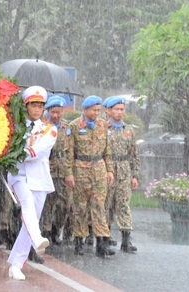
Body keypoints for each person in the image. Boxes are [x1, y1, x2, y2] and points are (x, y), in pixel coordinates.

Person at [6, 86, 56, 281]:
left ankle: (16, 264)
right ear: (26, 106)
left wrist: (19, 154)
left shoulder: (49, 130)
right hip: (19, 175)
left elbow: (40, 151)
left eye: (40, 106)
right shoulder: (15, 127)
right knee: (27, 206)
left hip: (40, 179)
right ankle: (37, 239)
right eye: (33, 105)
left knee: (30, 220)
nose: (36, 110)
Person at [65, 95, 115, 258]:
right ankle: (79, 241)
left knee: (99, 206)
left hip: (99, 170)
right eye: (94, 110)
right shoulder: (74, 126)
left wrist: (109, 171)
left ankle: (102, 243)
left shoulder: (103, 126)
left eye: (99, 110)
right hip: (81, 170)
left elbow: (107, 151)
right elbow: (69, 153)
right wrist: (69, 174)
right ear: (85, 110)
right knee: (80, 207)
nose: (97, 113)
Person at [103, 96, 139, 253]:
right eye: (116, 109)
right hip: (107, 169)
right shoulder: (103, 128)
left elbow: (134, 154)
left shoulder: (129, 130)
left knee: (123, 203)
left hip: (124, 169)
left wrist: (135, 175)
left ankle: (126, 239)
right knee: (107, 204)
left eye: (121, 109)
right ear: (108, 111)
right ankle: (104, 236)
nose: (119, 112)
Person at [41, 95, 73, 246]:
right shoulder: (42, 126)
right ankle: (45, 232)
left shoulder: (67, 129)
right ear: (48, 111)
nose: (55, 115)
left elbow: (71, 151)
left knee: (65, 204)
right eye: (53, 112)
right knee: (47, 203)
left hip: (63, 170)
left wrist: (69, 173)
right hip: (48, 169)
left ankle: (56, 229)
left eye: (58, 112)